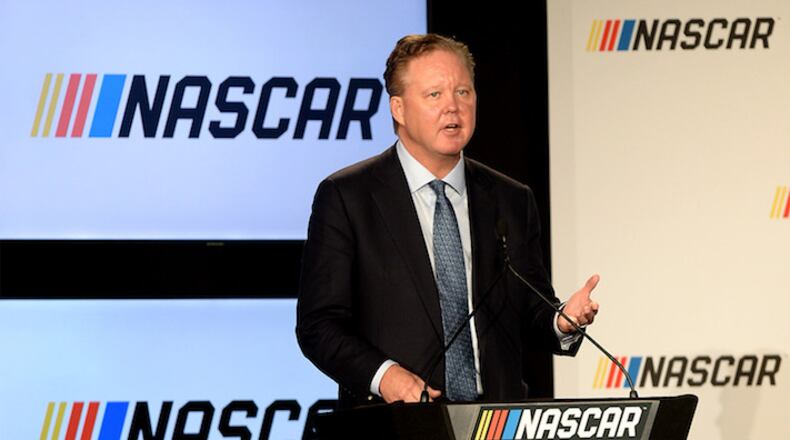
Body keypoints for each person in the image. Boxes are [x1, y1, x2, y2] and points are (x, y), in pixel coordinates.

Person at [296, 34, 599, 408]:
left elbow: (530, 310)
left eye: (463, 92)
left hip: (495, 421)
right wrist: (385, 376)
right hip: (397, 424)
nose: (453, 108)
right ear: (399, 109)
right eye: (434, 95)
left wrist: (562, 322)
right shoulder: (347, 197)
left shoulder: (511, 199)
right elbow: (318, 326)